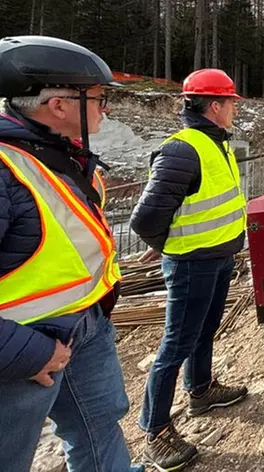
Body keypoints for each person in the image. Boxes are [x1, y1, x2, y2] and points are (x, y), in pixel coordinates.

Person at [0, 35, 141, 472]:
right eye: (97, 98)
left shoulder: (61, 155)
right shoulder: (6, 169)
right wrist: (23, 351)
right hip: (23, 354)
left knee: (99, 426)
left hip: (84, 326)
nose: (105, 108)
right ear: (58, 105)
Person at [131, 68, 250, 470]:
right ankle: (156, 431)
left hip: (216, 258)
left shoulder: (215, 142)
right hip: (191, 263)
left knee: (205, 328)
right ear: (214, 106)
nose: (235, 109)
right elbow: (145, 218)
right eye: (231, 103)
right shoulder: (183, 149)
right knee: (176, 344)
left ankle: (200, 389)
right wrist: (164, 246)